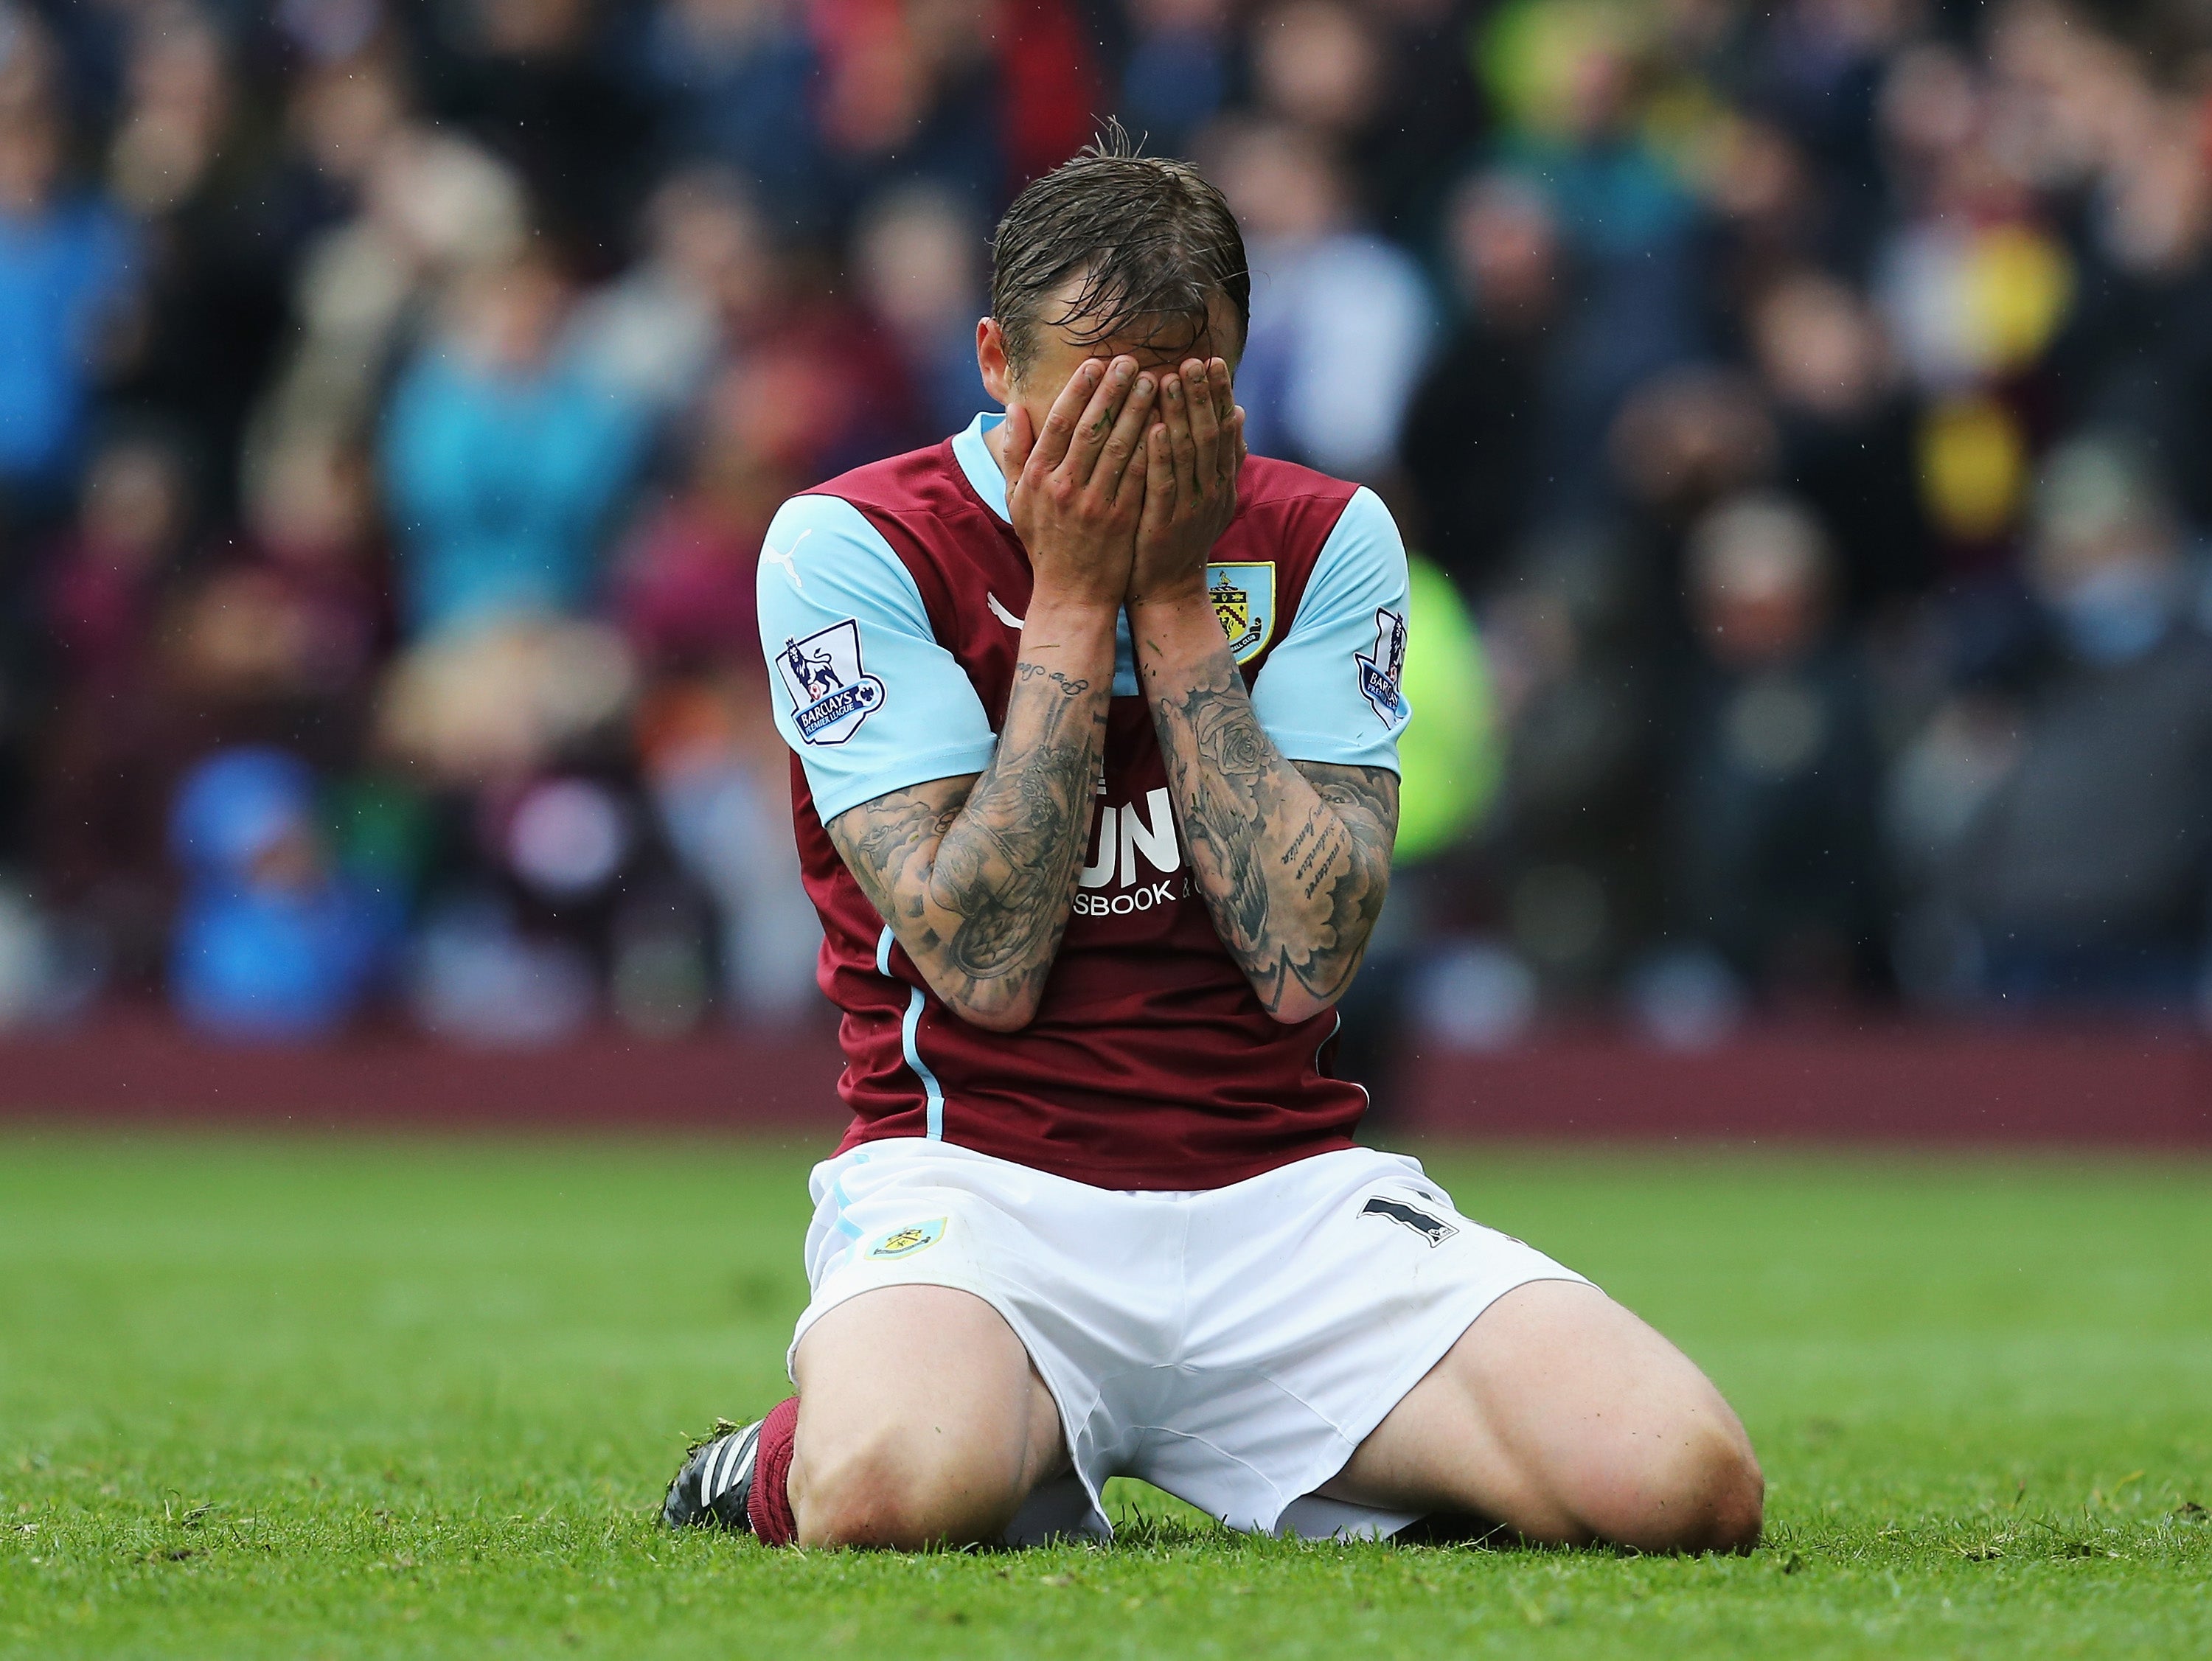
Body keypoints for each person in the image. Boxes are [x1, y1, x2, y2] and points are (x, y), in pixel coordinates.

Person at [661, 137, 1762, 1553]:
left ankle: (1194, 1456)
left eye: (1183, 399)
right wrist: (1073, 595)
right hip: (980, 1184)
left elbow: (1307, 963)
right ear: (997, 359)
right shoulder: (853, 540)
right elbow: (981, 959)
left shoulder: (1326, 534)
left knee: (1683, 1485)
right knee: (884, 1497)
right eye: (1095, 398)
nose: (1136, 443)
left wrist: (1172, 599)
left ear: (1238, 367)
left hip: (1283, 1193)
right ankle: (791, 1449)